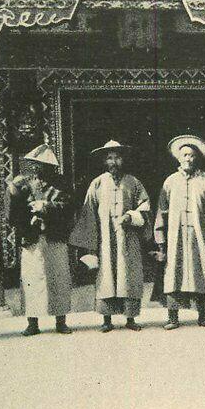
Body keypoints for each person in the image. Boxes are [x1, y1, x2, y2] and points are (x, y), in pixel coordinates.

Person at [69, 140, 152, 332]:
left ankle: (130, 318)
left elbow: (145, 207)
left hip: (127, 239)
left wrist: (131, 216)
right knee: (106, 277)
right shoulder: (97, 184)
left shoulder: (133, 182)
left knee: (128, 275)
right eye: (110, 158)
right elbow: (88, 213)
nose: (114, 161)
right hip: (104, 241)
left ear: (123, 159)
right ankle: (106, 319)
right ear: (105, 161)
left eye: (117, 157)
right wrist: (90, 246)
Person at [153, 135, 205, 330]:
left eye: (192, 155)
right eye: (184, 155)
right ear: (178, 158)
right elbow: (162, 211)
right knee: (173, 274)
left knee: (201, 273)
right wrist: (160, 242)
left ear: (197, 158)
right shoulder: (170, 182)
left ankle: (203, 315)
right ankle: (172, 317)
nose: (188, 159)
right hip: (175, 238)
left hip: (200, 239)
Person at [5, 144, 73, 336]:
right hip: (32, 237)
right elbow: (12, 215)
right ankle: (32, 322)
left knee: (58, 278)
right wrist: (26, 212)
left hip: (55, 236)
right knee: (31, 279)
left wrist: (47, 207)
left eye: (43, 165)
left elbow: (69, 207)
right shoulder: (22, 184)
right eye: (35, 164)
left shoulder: (61, 183)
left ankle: (61, 320)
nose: (38, 168)